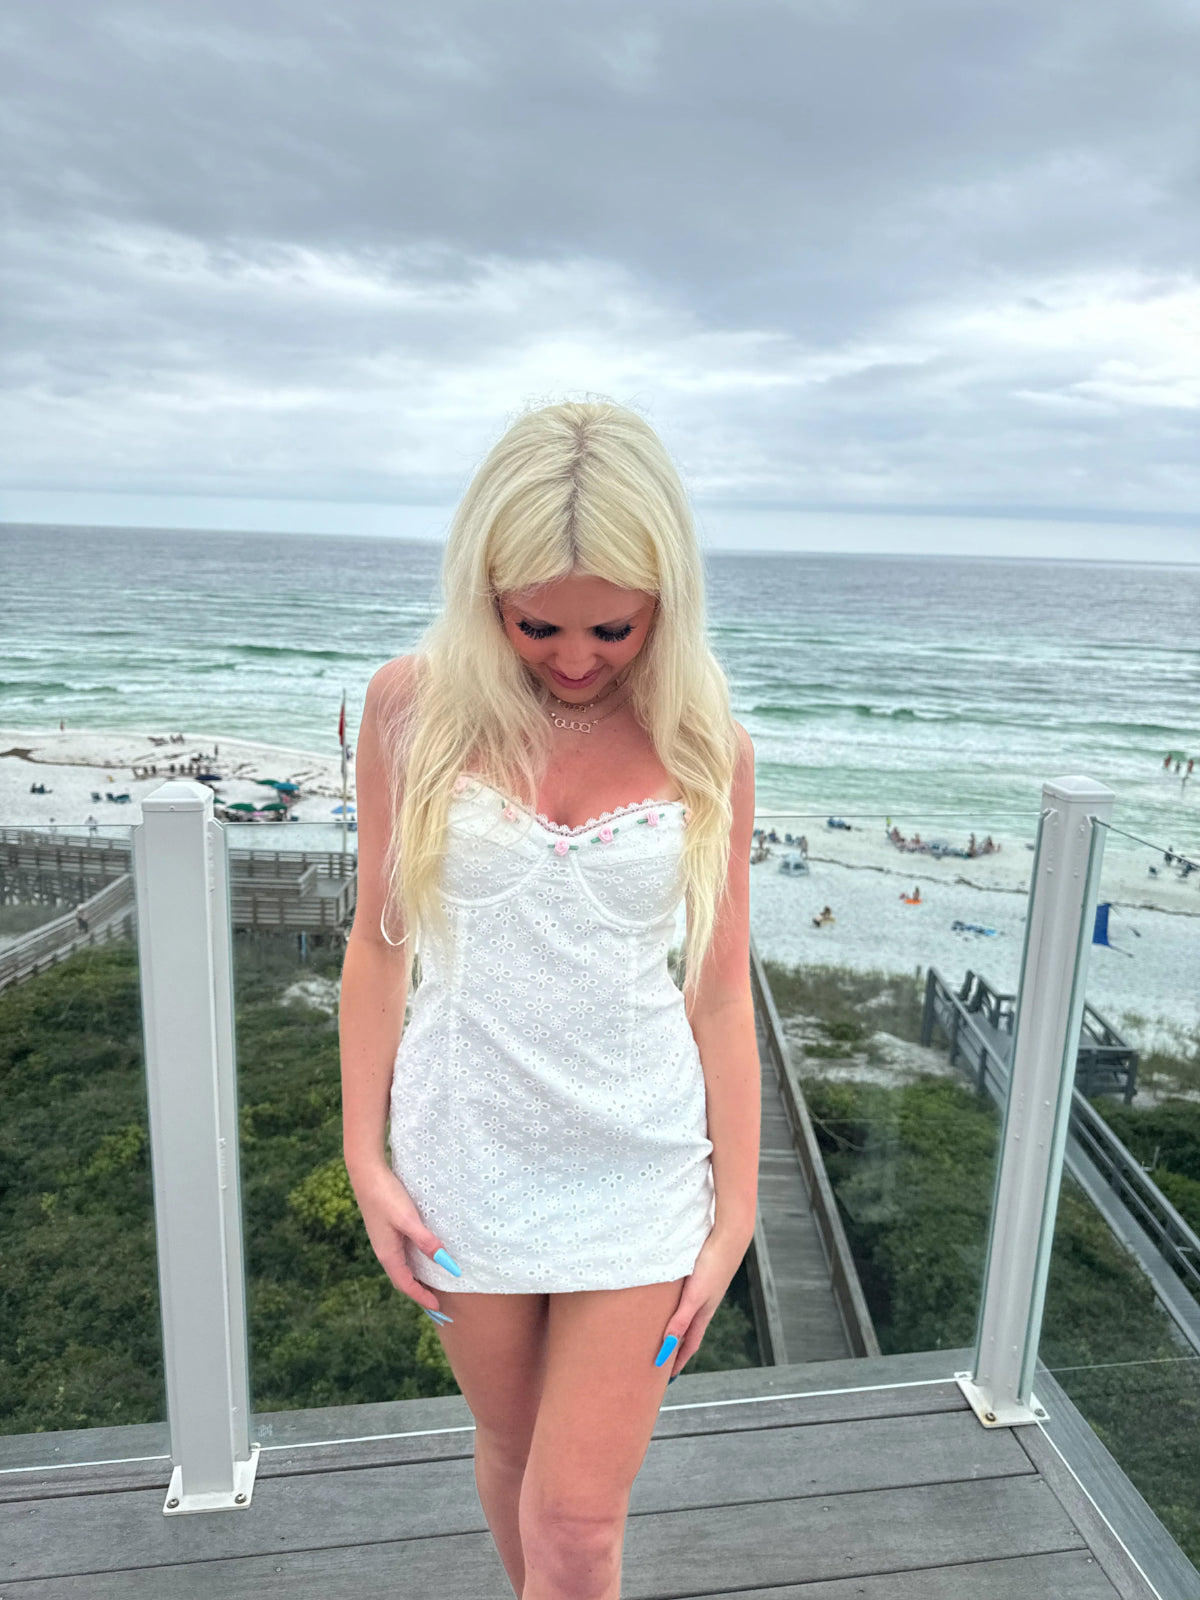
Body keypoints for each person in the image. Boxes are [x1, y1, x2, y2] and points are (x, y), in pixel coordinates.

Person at [340, 401, 757, 1600]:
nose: (575, 658)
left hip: (637, 1167)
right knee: (515, 1454)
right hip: (462, 1154)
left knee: (577, 1524)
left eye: (613, 626)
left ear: (665, 596)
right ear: (485, 590)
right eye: (536, 624)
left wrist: (731, 1216)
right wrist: (366, 1159)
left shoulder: (703, 742)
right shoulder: (408, 708)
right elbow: (379, 946)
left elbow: (720, 992)